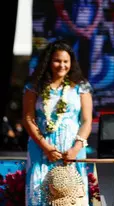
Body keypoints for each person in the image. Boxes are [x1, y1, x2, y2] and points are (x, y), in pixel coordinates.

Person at [22, 40, 93, 205]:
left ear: (71, 63)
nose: (62, 65)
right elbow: (28, 118)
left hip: (72, 151)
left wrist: (76, 148)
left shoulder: (81, 87)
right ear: (48, 62)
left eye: (66, 61)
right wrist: (46, 148)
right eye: (57, 60)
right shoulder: (34, 87)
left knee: (71, 197)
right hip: (41, 149)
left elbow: (86, 121)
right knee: (39, 194)